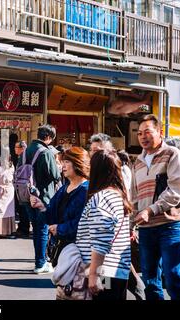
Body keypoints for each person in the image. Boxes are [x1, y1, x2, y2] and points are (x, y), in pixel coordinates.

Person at [132, 114, 180, 300]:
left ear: (160, 132)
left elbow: (176, 190)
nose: (143, 136)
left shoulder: (172, 154)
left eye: (148, 132)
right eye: (140, 133)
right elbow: (134, 197)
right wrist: (131, 223)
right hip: (145, 229)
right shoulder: (137, 161)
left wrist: (150, 210)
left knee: (173, 275)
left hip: (169, 225)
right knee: (150, 280)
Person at [76, 149, 131, 300]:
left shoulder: (101, 198)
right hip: (117, 270)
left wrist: (94, 274)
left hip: (103, 272)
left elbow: (100, 240)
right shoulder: (118, 196)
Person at [30, 147, 89, 267]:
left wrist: (60, 229)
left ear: (78, 163)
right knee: (63, 284)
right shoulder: (64, 188)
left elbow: (84, 223)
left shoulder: (86, 190)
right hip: (63, 248)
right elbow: (52, 215)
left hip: (81, 251)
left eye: (67, 162)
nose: (63, 165)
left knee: (78, 284)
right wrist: (41, 207)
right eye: (63, 161)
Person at [24, 125, 61, 274]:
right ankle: (41, 263)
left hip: (27, 195)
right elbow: (55, 175)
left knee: (37, 229)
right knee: (42, 230)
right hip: (42, 196)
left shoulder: (26, 150)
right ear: (49, 137)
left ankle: (40, 260)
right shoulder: (45, 152)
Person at [14, 141, 30, 238]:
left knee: (24, 208)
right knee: (22, 208)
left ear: (22, 148)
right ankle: (23, 227)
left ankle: (24, 228)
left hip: (23, 185)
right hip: (21, 185)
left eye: (16, 147)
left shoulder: (24, 157)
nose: (15, 149)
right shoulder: (22, 157)